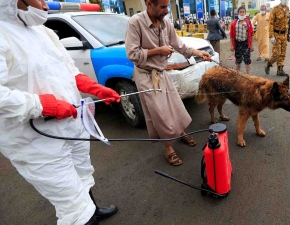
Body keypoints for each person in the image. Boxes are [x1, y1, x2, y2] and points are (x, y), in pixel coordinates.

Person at [0, 0, 120, 224]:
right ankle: (85, 216)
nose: (45, 4)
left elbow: (69, 71)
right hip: (35, 139)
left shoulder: (43, 32)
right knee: (71, 203)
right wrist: (42, 105)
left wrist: (94, 88)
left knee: (83, 173)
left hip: (72, 124)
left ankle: (93, 209)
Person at [125, 0, 211, 166]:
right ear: (149, 4)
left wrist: (197, 53)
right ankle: (168, 148)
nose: (166, 11)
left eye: (167, 7)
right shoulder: (135, 23)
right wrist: (158, 50)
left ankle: (180, 132)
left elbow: (179, 45)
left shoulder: (165, 23)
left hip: (162, 74)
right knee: (160, 113)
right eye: (163, 7)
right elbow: (132, 54)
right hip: (146, 76)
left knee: (175, 105)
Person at [265, 0, 290, 76]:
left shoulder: (288, 8)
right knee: (276, 53)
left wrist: (287, 34)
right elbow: (271, 23)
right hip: (276, 34)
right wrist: (271, 36)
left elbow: (286, 22)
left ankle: (280, 70)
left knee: (282, 53)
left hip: (284, 35)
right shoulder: (275, 9)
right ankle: (268, 64)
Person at [230, 6, 254, 74]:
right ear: (238, 13)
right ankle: (237, 75)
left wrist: (251, 45)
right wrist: (231, 45)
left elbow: (251, 34)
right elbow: (231, 35)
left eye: (243, 12)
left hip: (246, 44)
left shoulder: (248, 23)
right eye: (240, 12)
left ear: (245, 13)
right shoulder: (234, 23)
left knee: (247, 61)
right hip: (238, 44)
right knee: (238, 61)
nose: (242, 13)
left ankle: (248, 75)